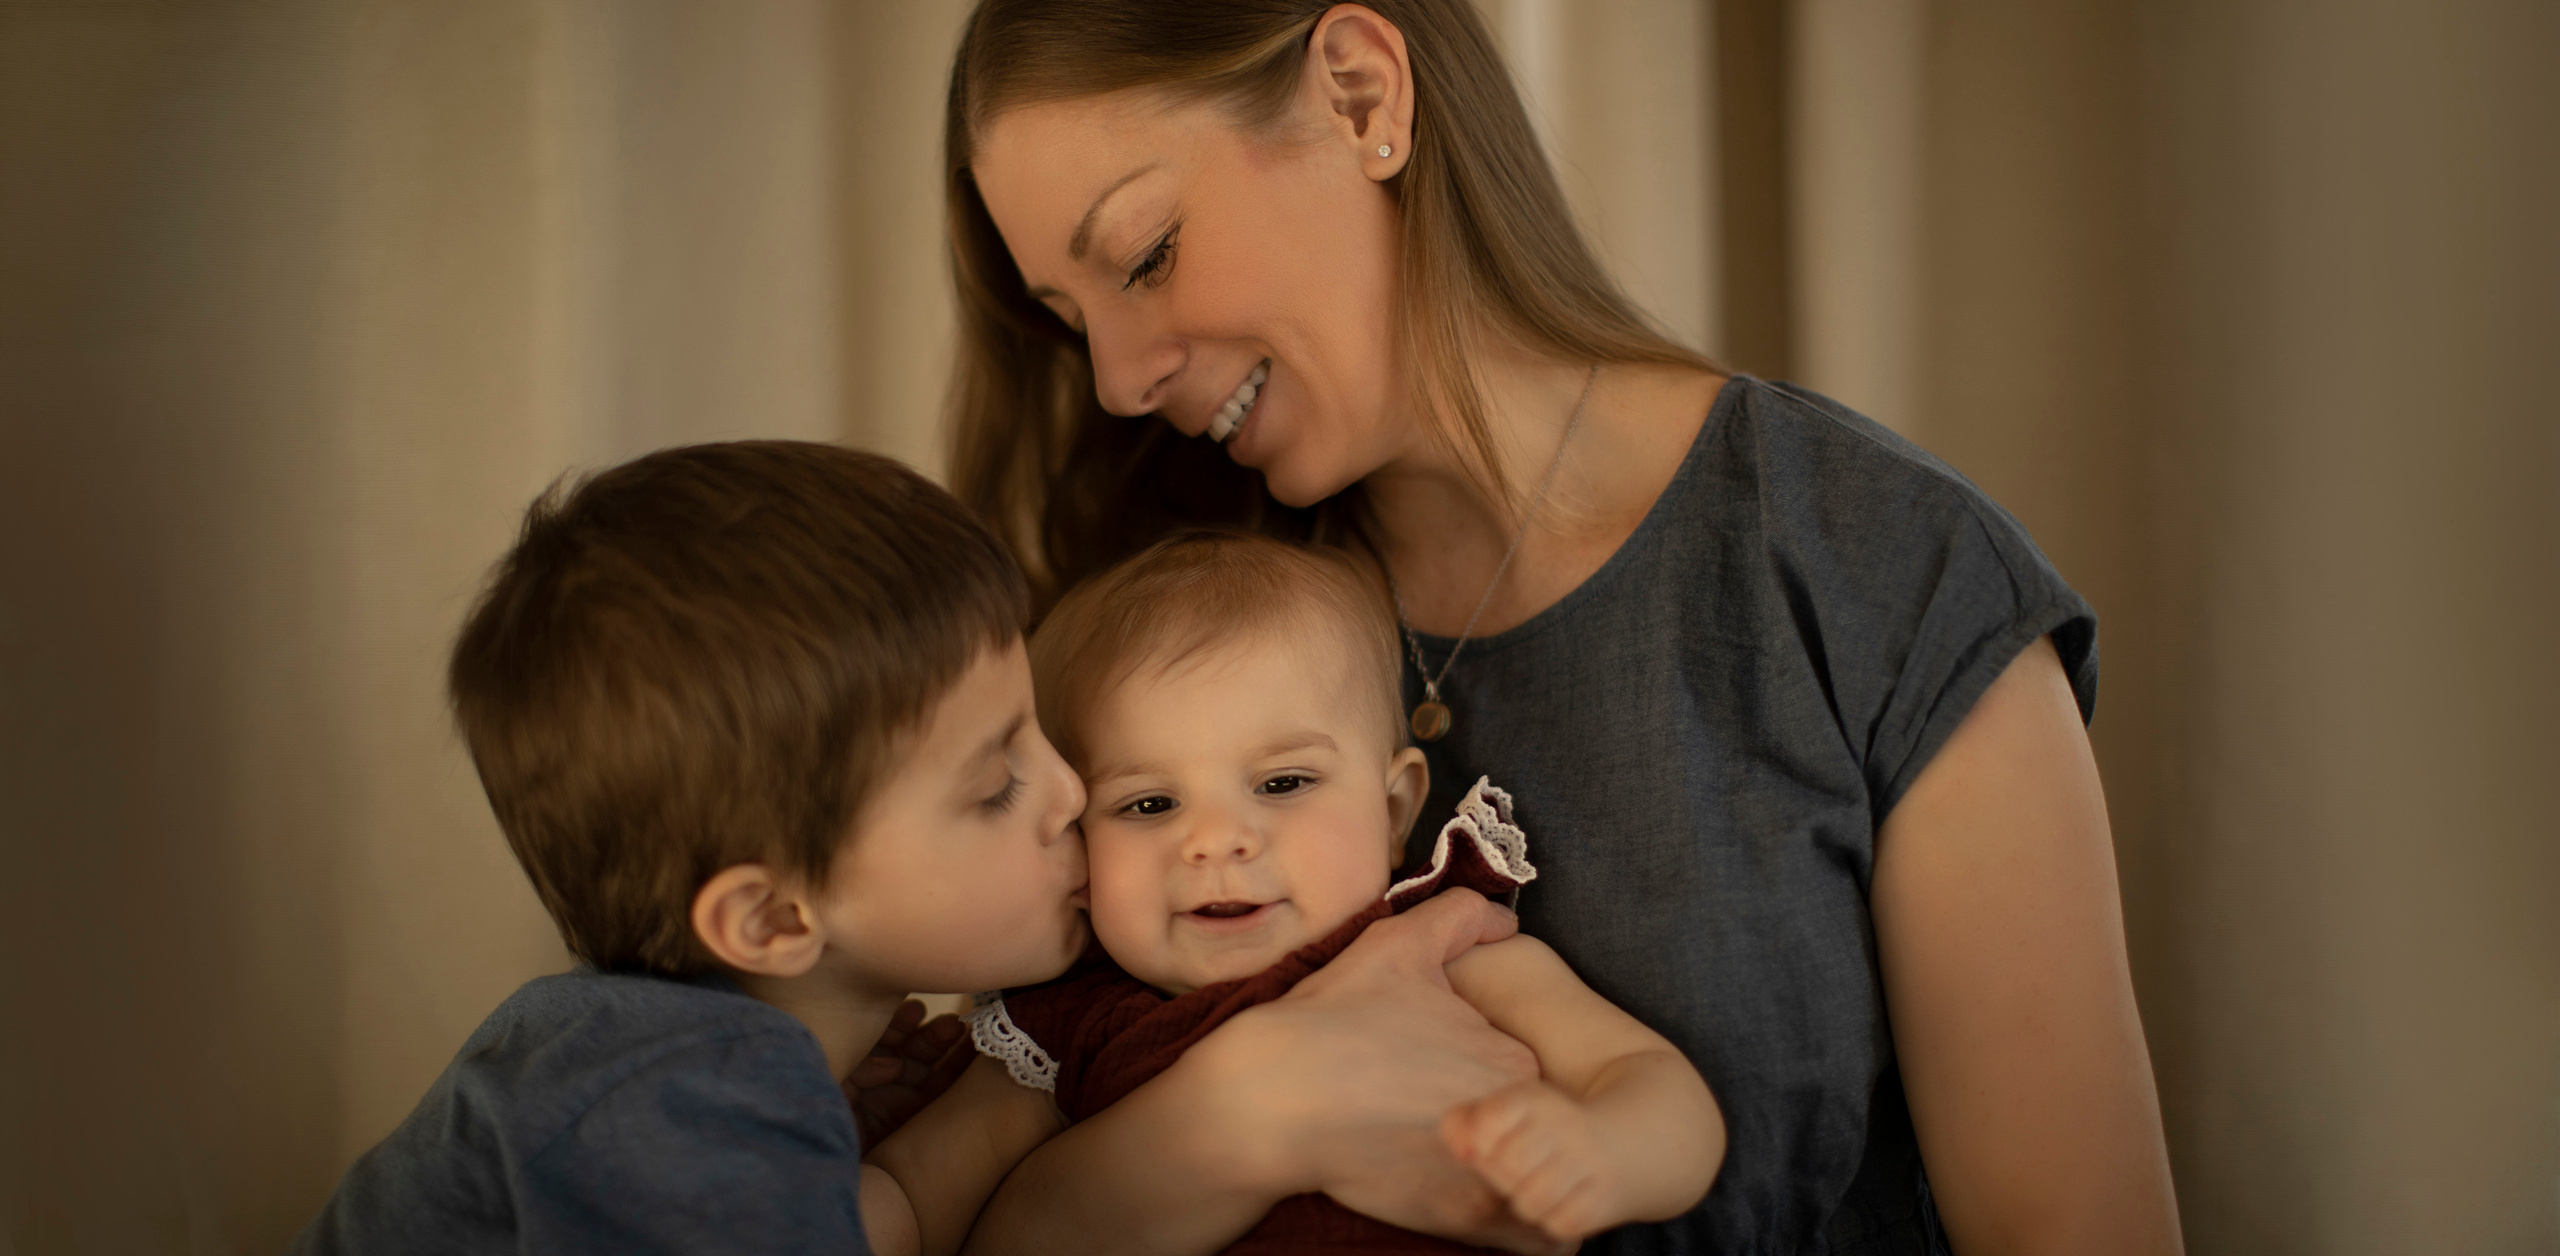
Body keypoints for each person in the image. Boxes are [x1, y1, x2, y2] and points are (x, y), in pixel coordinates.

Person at [932, 2, 2183, 1252]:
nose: (1116, 380)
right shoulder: (1137, 635)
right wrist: (1249, 1109)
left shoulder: (1877, 573)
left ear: (1361, 96)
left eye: (1145, 255)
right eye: (1070, 319)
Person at [291, 443, 1093, 1255]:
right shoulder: (675, 1104)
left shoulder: (642, 1059)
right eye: (997, 784)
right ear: (772, 918)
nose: (1072, 792)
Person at [925, 531, 1723, 1252]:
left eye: (1282, 783)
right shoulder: (1065, 1025)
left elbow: (1653, 1084)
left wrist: (1605, 1150)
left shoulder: (1447, 954)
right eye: (1150, 804)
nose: (1217, 841)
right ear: (1076, 840)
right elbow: (913, 1206)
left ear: (1394, 811)